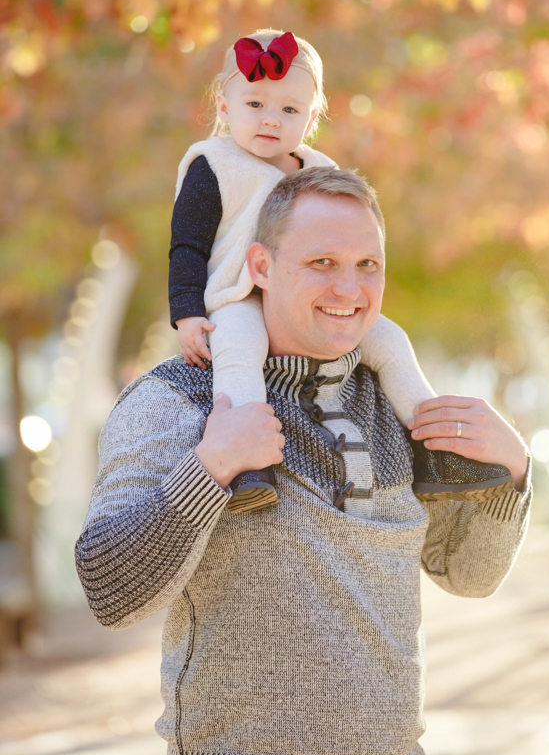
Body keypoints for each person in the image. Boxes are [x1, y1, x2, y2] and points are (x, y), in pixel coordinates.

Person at [76, 167, 531, 755]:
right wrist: (210, 468)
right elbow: (111, 594)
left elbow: (466, 575)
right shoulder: (176, 398)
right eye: (323, 263)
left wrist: (514, 473)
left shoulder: (397, 406)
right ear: (260, 267)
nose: (350, 289)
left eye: (368, 265)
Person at [169, 28, 513, 511]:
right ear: (224, 108)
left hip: (309, 298)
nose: (271, 121)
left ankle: (435, 449)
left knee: (391, 342)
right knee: (240, 349)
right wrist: (186, 313)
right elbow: (186, 246)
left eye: (289, 110)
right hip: (237, 297)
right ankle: (249, 465)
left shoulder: (317, 170)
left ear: (310, 118)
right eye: (255, 105)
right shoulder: (214, 165)